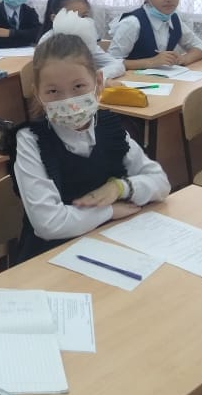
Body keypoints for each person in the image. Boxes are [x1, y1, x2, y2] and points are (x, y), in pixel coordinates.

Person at [13, 30, 170, 262]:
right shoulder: (31, 140)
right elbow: (49, 223)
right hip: (50, 256)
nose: (68, 101)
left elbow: (161, 183)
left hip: (110, 241)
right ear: (38, 94)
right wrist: (109, 210)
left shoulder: (109, 128)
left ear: (97, 82)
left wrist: (119, 188)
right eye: (53, 91)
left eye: (78, 86)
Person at [108, 0, 202, 70]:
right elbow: (110, 62)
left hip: (163, 78)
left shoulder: (173, 18)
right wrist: (151, 62)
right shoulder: (132, 22)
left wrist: (183, 59)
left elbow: (199, 46)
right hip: (131, 79)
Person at [39, 0, 124, 82]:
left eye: (84, 16)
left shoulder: (86, 41)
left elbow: (117, 65)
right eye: (73, 15)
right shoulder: (46, 43)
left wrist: (95, 77)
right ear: (54, 18)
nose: (81, 22)